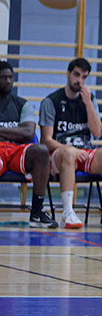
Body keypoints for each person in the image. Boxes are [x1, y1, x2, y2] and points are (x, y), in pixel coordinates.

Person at [40, 58, 102, 229]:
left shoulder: (89, 99)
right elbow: (46, 140)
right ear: (68, 74)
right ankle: (68, 212)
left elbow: (97, 132)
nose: (79, 80)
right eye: (76, 75)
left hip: (85, 151)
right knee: (70, 153)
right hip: (60, 154)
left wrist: (88, 104)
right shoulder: (51, 101)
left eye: (84, 77)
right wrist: (70, 149)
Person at [0, 61, 56, 228]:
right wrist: (13, 132)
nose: (8, 81)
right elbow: (21, 131)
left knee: (41, 150)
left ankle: (37, 212)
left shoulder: (22, 104)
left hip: (16, 150)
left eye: (10, 77)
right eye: (3, 78)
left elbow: (28, 133)